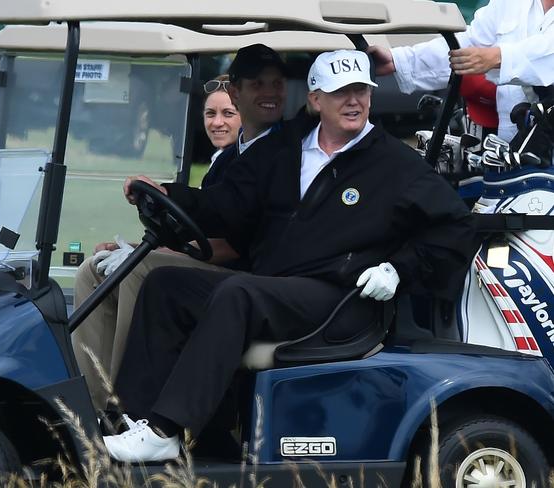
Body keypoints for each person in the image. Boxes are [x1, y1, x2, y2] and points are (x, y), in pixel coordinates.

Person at [103, 49, 476, 463]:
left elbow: (454, 227)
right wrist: (170, 194)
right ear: (316, 99)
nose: (353, 101)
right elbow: (226, 204)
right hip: (279, 288)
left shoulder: (395, 163)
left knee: (239, 293)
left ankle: (166, 429)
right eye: (340, 93)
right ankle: (127, 422)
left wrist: (399, 270)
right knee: (166, 285)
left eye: (361, 91)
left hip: (342, 298)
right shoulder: (284, 149)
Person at [71, 44, 289, 412]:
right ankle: (88, 404)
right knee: (91, 273)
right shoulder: (230, 161)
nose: (218, 122)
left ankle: (127, 406)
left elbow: (235, 245)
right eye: (211, 114)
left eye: (227, 114)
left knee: (138, 270)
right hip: (218, 269)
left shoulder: (275, 154)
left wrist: (152, 253)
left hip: (245, 280)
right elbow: (203, 221)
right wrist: (142, 244)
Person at [367, 0, 554, 141]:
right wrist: (399, 61)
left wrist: (498, 57)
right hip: (512, 154)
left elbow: (547, 51)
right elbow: (470, 43)